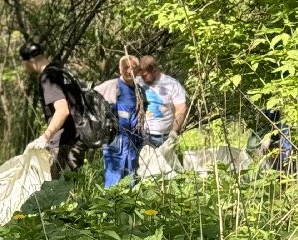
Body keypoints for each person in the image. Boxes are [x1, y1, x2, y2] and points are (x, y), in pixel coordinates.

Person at [18, 42, 85, 175]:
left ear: (29, 62)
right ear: (44, 54)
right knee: (74, 188)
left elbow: (62, 110)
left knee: (58, 191)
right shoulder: (62, 72)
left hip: (64, 143)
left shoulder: (48, 78)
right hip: (77, 139)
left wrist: (45, 137)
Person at [95, 55, 146, 187]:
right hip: (115, 140)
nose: (129, 71)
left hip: (133, 141)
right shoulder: (110, 86)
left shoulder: (139, 90)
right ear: (120, 69)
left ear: (138, 70)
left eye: (133, 68)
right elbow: (90, 99)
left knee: (131, 177)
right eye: (126, 67)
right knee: (114, 179)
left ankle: (129, 206)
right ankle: (112, 206)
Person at [138, 55, 188, 147]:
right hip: (141, 134)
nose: (143, 78)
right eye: (141, 75)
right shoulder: (138, 81)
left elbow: (181, 108)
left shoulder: (172, 84)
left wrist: (174, 131)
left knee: (162, 162)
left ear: (155, 71)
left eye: (145, 75)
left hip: (164, 137)